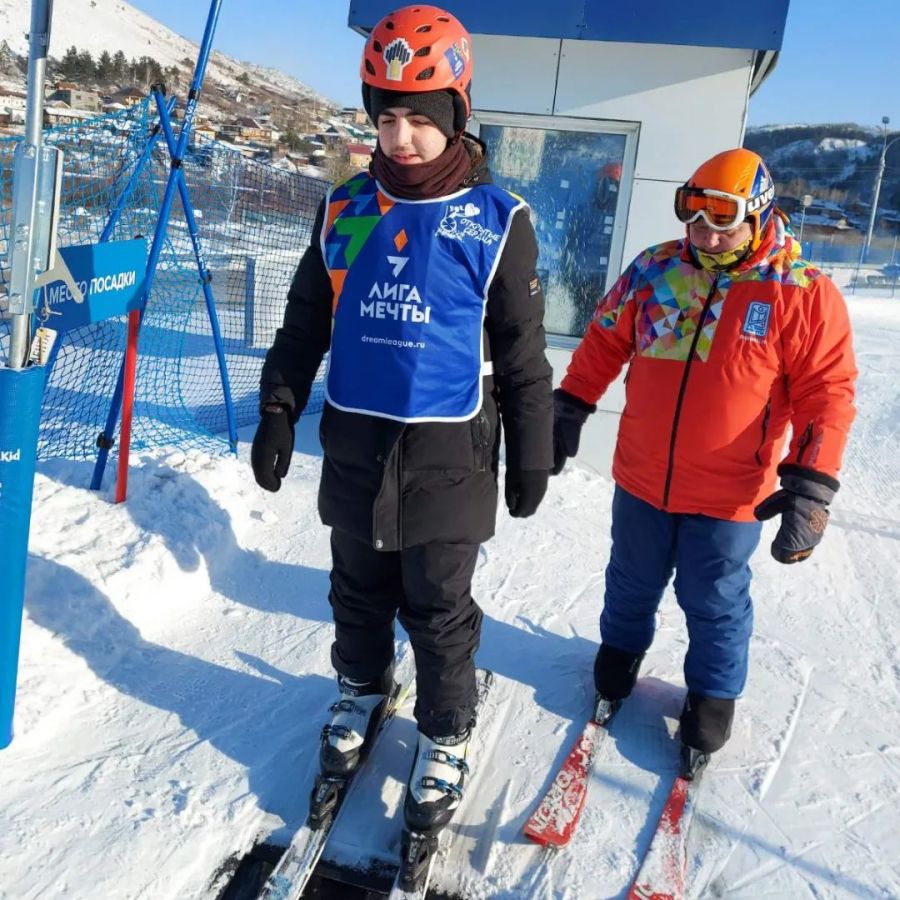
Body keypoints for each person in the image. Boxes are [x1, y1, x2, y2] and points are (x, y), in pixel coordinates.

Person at [251, 4, 553, 836]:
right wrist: (279, 407)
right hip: (355, 438)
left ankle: (447, 732)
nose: (402, 136)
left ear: (457, 113)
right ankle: (361, 690)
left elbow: (524, 354)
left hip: (449, 449)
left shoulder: (498, 223)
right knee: (356, 589)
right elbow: (304, 322)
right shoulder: (343, 208)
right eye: (388, 115)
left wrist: (533, 450)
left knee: (437, 604)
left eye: (421, 116)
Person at [552, 148, 856, 777]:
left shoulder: (800, 291)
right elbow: (606, 338)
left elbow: (827, 391)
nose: (708, 236)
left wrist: (812, 482)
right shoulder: (656, 269)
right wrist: (571, 404)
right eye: (697, 221)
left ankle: (714, 692)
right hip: (641, 476)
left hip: (729, 493)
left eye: (724, 223)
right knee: (631, 578)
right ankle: (621, 652)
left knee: (713, 597)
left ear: (759, 215)